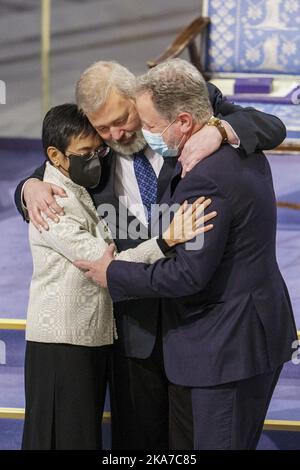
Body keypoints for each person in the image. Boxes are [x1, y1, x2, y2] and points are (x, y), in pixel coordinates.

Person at [14, 60, 287, 449]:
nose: (115, 133)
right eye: (102, 128)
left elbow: (270, 126)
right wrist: (27, 188)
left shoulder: (180, 110)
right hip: (135, 328)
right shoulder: (96, 149)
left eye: (122, 119)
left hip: (200, 325)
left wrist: (222, 130)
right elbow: (56, 167)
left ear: (138, 98)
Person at [22, 103, 215, 450]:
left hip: (93, 338)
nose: (96, 158)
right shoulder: (49, 203)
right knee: (61, 438)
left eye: (99, 150)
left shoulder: (77, 188)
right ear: (56, 155)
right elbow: (103, 262)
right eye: (85, 153)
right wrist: (167, 239)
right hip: (61, 342)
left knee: (82, 437)